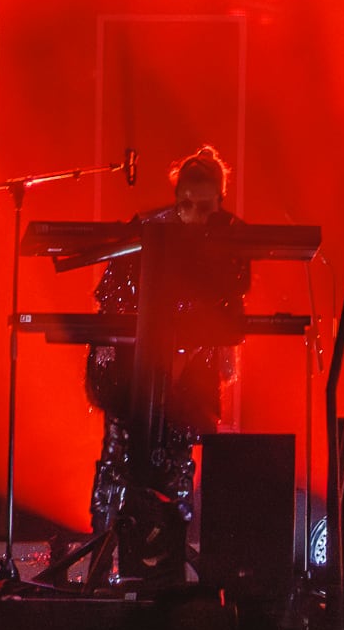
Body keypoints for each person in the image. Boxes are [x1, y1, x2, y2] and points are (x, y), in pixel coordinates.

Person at [90, 146, 246, 542]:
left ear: (220, 200)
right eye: (186, 204)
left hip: (195, 365)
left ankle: (169, 555)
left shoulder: (231, 232)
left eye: (204, 206)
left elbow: (233, 297)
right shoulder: (149, 225)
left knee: (178, 461)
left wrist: (193, 346)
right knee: (118, 458)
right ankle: (105, 547)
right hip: (136, 362)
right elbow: (112, 290)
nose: (193, 214)